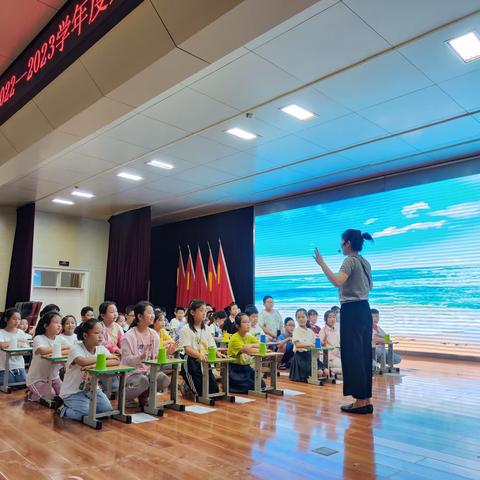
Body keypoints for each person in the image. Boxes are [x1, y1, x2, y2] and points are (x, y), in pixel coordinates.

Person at [314, 229, 374, 414]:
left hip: (352, 311)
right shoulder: (365, 262)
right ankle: (365, 399)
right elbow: (370, 286)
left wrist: (322, 263)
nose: (340, 245)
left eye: (342, 242)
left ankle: (359, 402)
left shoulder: (349, 261)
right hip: (364, 309)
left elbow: (338, 281)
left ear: (348, 243)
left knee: (353, 356)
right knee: (363, 355)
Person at [59, 319, 119, 421]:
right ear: (85, 335)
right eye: (96, 333)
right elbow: (82, 361)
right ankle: (63, 410)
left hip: (92, 389)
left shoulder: (100, 348)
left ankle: (83, 405)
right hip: (73, 391)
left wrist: (94, 365)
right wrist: (104, 358)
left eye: (101, 333)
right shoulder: (76, 347)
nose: (100, 336)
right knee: (86, 413)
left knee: (106, 410)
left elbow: (116, 361)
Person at [122, 302, 170, 406]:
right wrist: (140, 357)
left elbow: (155, 357)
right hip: (133, 373)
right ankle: (124, 398)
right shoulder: (129, 336)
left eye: (153, 312)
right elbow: (126, 361)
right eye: (149, 313)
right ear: (139, 316)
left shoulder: (154, 335)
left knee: (163, 379)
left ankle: (144, 397)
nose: (153, 315)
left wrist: (167, 353)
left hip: (148, 371)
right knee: (142, 381)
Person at [179, 299, 223, 399]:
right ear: (192, 312)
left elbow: (212, 346)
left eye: (205, 311)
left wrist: (217, 353)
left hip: (205, 361)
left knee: (213, 392)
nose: (204, 313)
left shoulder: (206, 328)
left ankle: (187, 385)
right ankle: (186, 387)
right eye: (201, 310)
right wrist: (199, 355)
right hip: (191, 361)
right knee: (201, 394)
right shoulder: (186, 329)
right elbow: (187, 349)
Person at [26, 311, 70, 404]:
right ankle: (31, 394)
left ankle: (42, 391)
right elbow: (43, 351)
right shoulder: (39, 338)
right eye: (56, 322)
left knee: (65, 395)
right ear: (46, 325)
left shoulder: (60, 338)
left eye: (60, 323)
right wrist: (62, 348)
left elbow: (71, 349)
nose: (59, 325)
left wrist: (60, 350)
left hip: (54, 377)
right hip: (37, 378)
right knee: (51, 395)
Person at [227, 312, 263, 393]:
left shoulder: (249, 335)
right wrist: (250, 347)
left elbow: (261, 346)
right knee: (250, 387)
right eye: (245, 322)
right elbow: (247, 350)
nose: (248, 324)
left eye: (248, 321)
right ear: (237, 325)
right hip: (235, 369)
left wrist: (250, 346)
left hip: (246, 367)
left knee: (261, 385)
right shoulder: (234, 337)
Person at [289, 308, 328, 382]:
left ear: (307, 318)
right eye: (298, 317)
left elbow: (316, 343)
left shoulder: (310, 331)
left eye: (303, 317)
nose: (301, 319)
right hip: (301, 358)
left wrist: (323, 341)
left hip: (311, 355)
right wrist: (310, 344)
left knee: (326, 371)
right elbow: (298, 345)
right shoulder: (296, 330)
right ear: (296, 319)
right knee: (319, 373)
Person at [0, 308, 29, 384]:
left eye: (19, 319)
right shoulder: (1, 332)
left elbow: (26, 346)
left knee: (22, 384)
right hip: (3, 366)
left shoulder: (21, 332)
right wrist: (18, 340)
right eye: (14, 319)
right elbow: (2, 345)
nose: (17, 321)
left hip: (19, 365)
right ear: (6, 319)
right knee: (9, 383)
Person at [319, 310, 342, 377]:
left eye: (334, 317)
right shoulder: (323, 331)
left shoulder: (337, 330)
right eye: (330, 317)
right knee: (347, 367)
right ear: (325, 319)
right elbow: (319, 345)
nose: (332, 319)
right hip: (329, 357)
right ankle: (331, 371)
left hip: (337, 356)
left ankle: (332, 372)